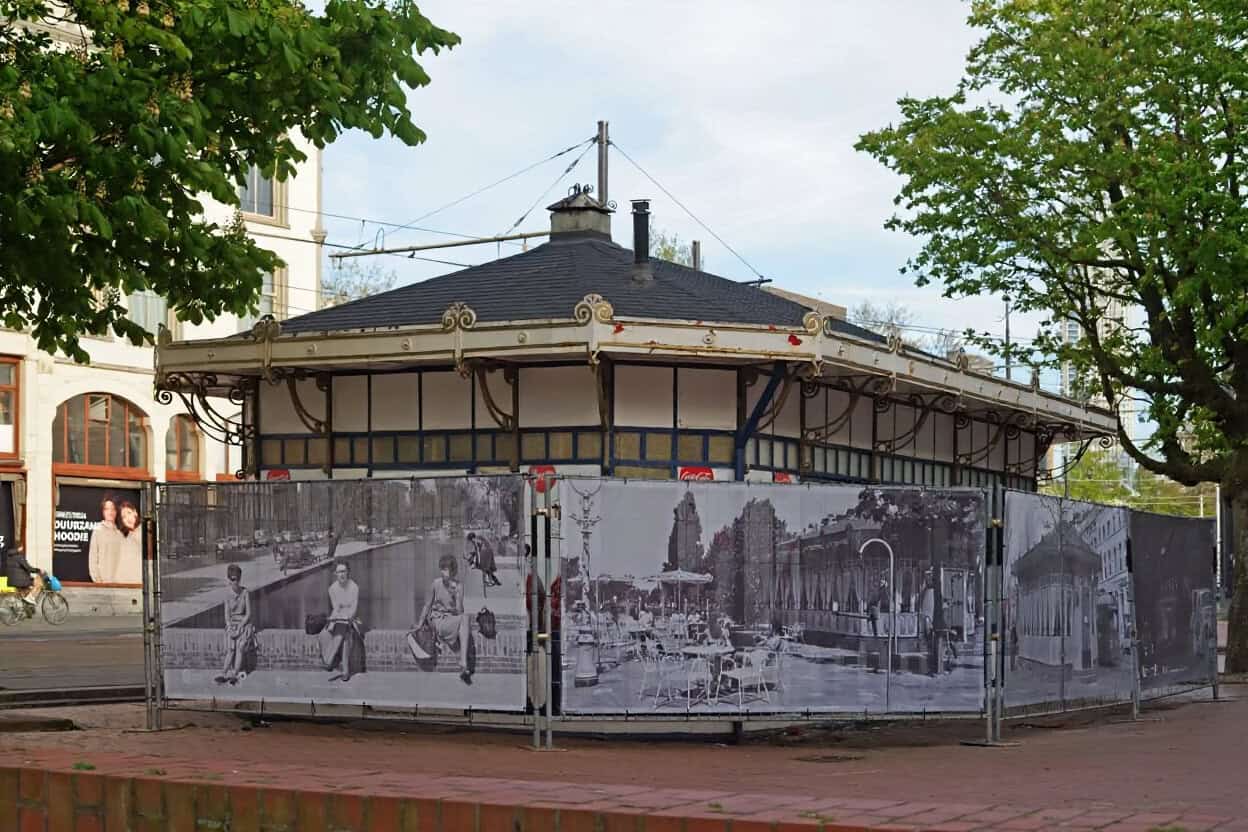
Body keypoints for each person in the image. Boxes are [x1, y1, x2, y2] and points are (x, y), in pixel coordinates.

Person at [420, 554, 473, 684]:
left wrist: (456, 595)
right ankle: (461, 658)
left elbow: (460, 611)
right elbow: (427, 605)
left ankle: (463, 660)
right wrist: (419, 623)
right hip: (437, 619)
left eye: (446, 569)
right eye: (442, 569)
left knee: (465, 618)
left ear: (453, 571)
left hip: (449, 619)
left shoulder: (459, 586)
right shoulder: (436, 583)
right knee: (463, 621)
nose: (443, 572)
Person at [216, 564, 254, 685]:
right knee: (230, 649)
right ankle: (223, 672)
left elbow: (248, 613)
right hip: (232, 624)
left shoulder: (245, 592)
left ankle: (235, 673)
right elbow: (226, 615)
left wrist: (241, 626)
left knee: (240, 646)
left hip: (244, 623)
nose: (235, 582)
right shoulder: (227, 595)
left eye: (237, 579)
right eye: (232, 579)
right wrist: (230, 627)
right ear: (229, 580)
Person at [325, 561, 362, 682]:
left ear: (348, 572)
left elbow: (353, 609)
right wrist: (338, 618)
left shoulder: (354, 587)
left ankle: (330, 659)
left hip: (352, 619)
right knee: (345, 635)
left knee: (345, 629)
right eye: (339, 571)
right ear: (335, 573)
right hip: (338, 618)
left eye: (344, 571)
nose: (342, 574)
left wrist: (346, 617)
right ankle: (345, 671)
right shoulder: (332, 589)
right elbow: (336, 608)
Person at [87, 496, 124, 583]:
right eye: (107, 509)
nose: (110, 512)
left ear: (116, 511)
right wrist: (98, 581)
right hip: (102, 583)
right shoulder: (98, 530)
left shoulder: (120, 533)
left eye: (113, 509)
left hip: (119, 584)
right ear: (103, 512)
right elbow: (93, 559)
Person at [3, 545, 41, 613]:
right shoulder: (19, 557)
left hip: (12, 580)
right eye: (22, 548)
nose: (22, 549)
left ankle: (27, 609)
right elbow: (28, 568)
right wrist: (38, 570)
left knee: (26, 590)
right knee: (38, 584)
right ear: (19, 548)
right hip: (20, 581)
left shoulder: (9, 557)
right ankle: (30, 599)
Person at [115, 501, 143, 585]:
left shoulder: (144, 531)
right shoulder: (126, 539)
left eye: (129, 513)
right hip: (126, 585)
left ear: (135, 512)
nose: (128, 519)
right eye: (124, 517)